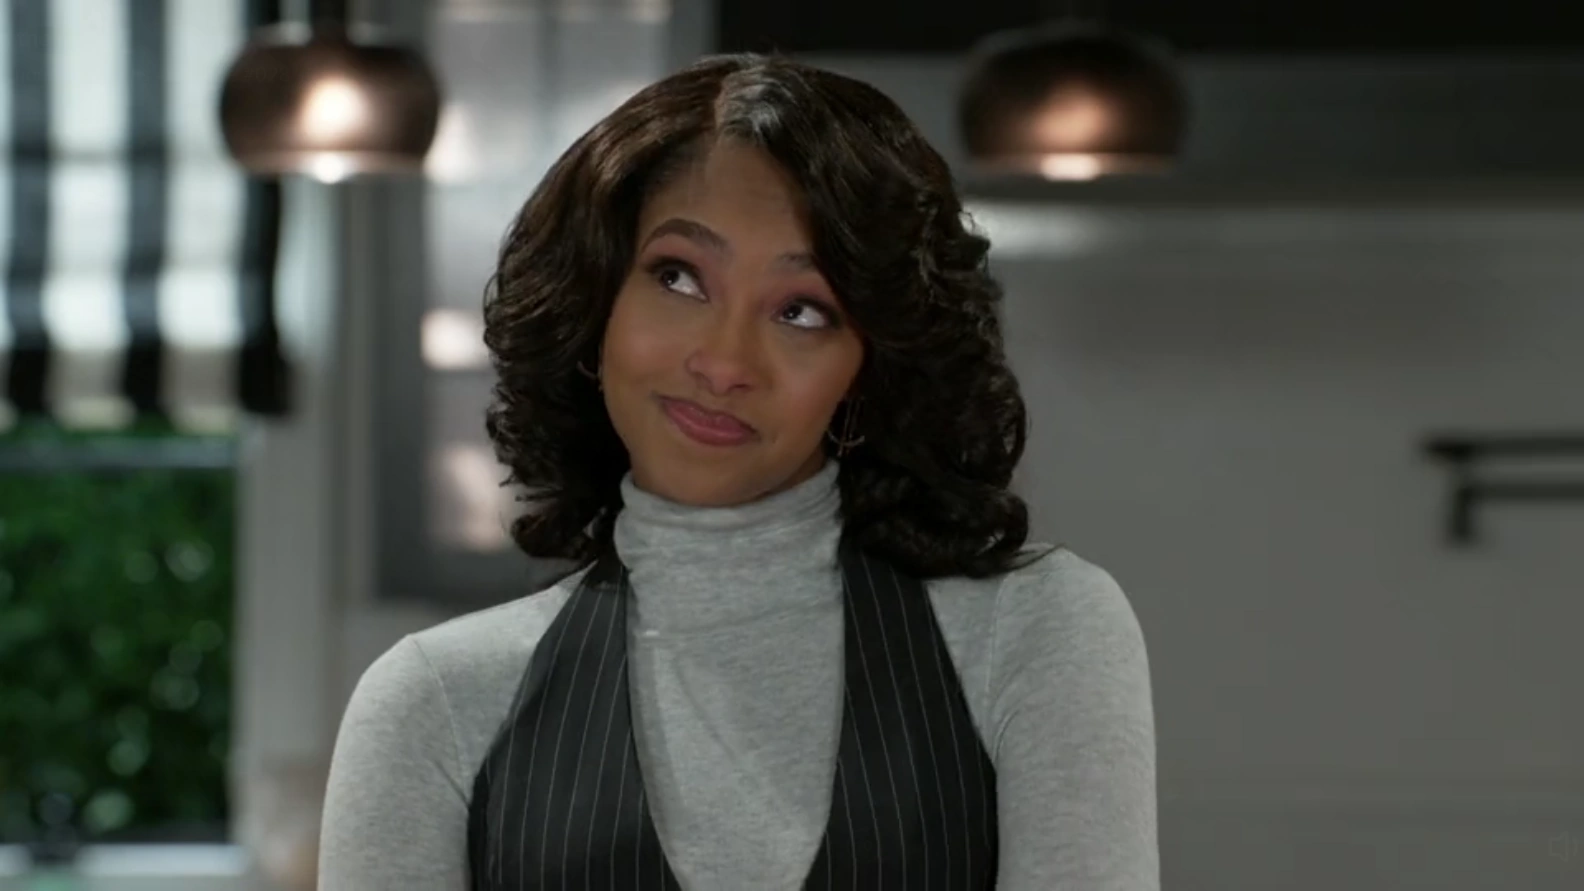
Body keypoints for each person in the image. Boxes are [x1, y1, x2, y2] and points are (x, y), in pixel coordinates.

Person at [318, 54, 1157, 890]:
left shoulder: (1034, 634)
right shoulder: (436, 705)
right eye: (679, 277)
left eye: (801, 311)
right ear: (594, 307)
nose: (724, 363)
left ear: (867, 368)